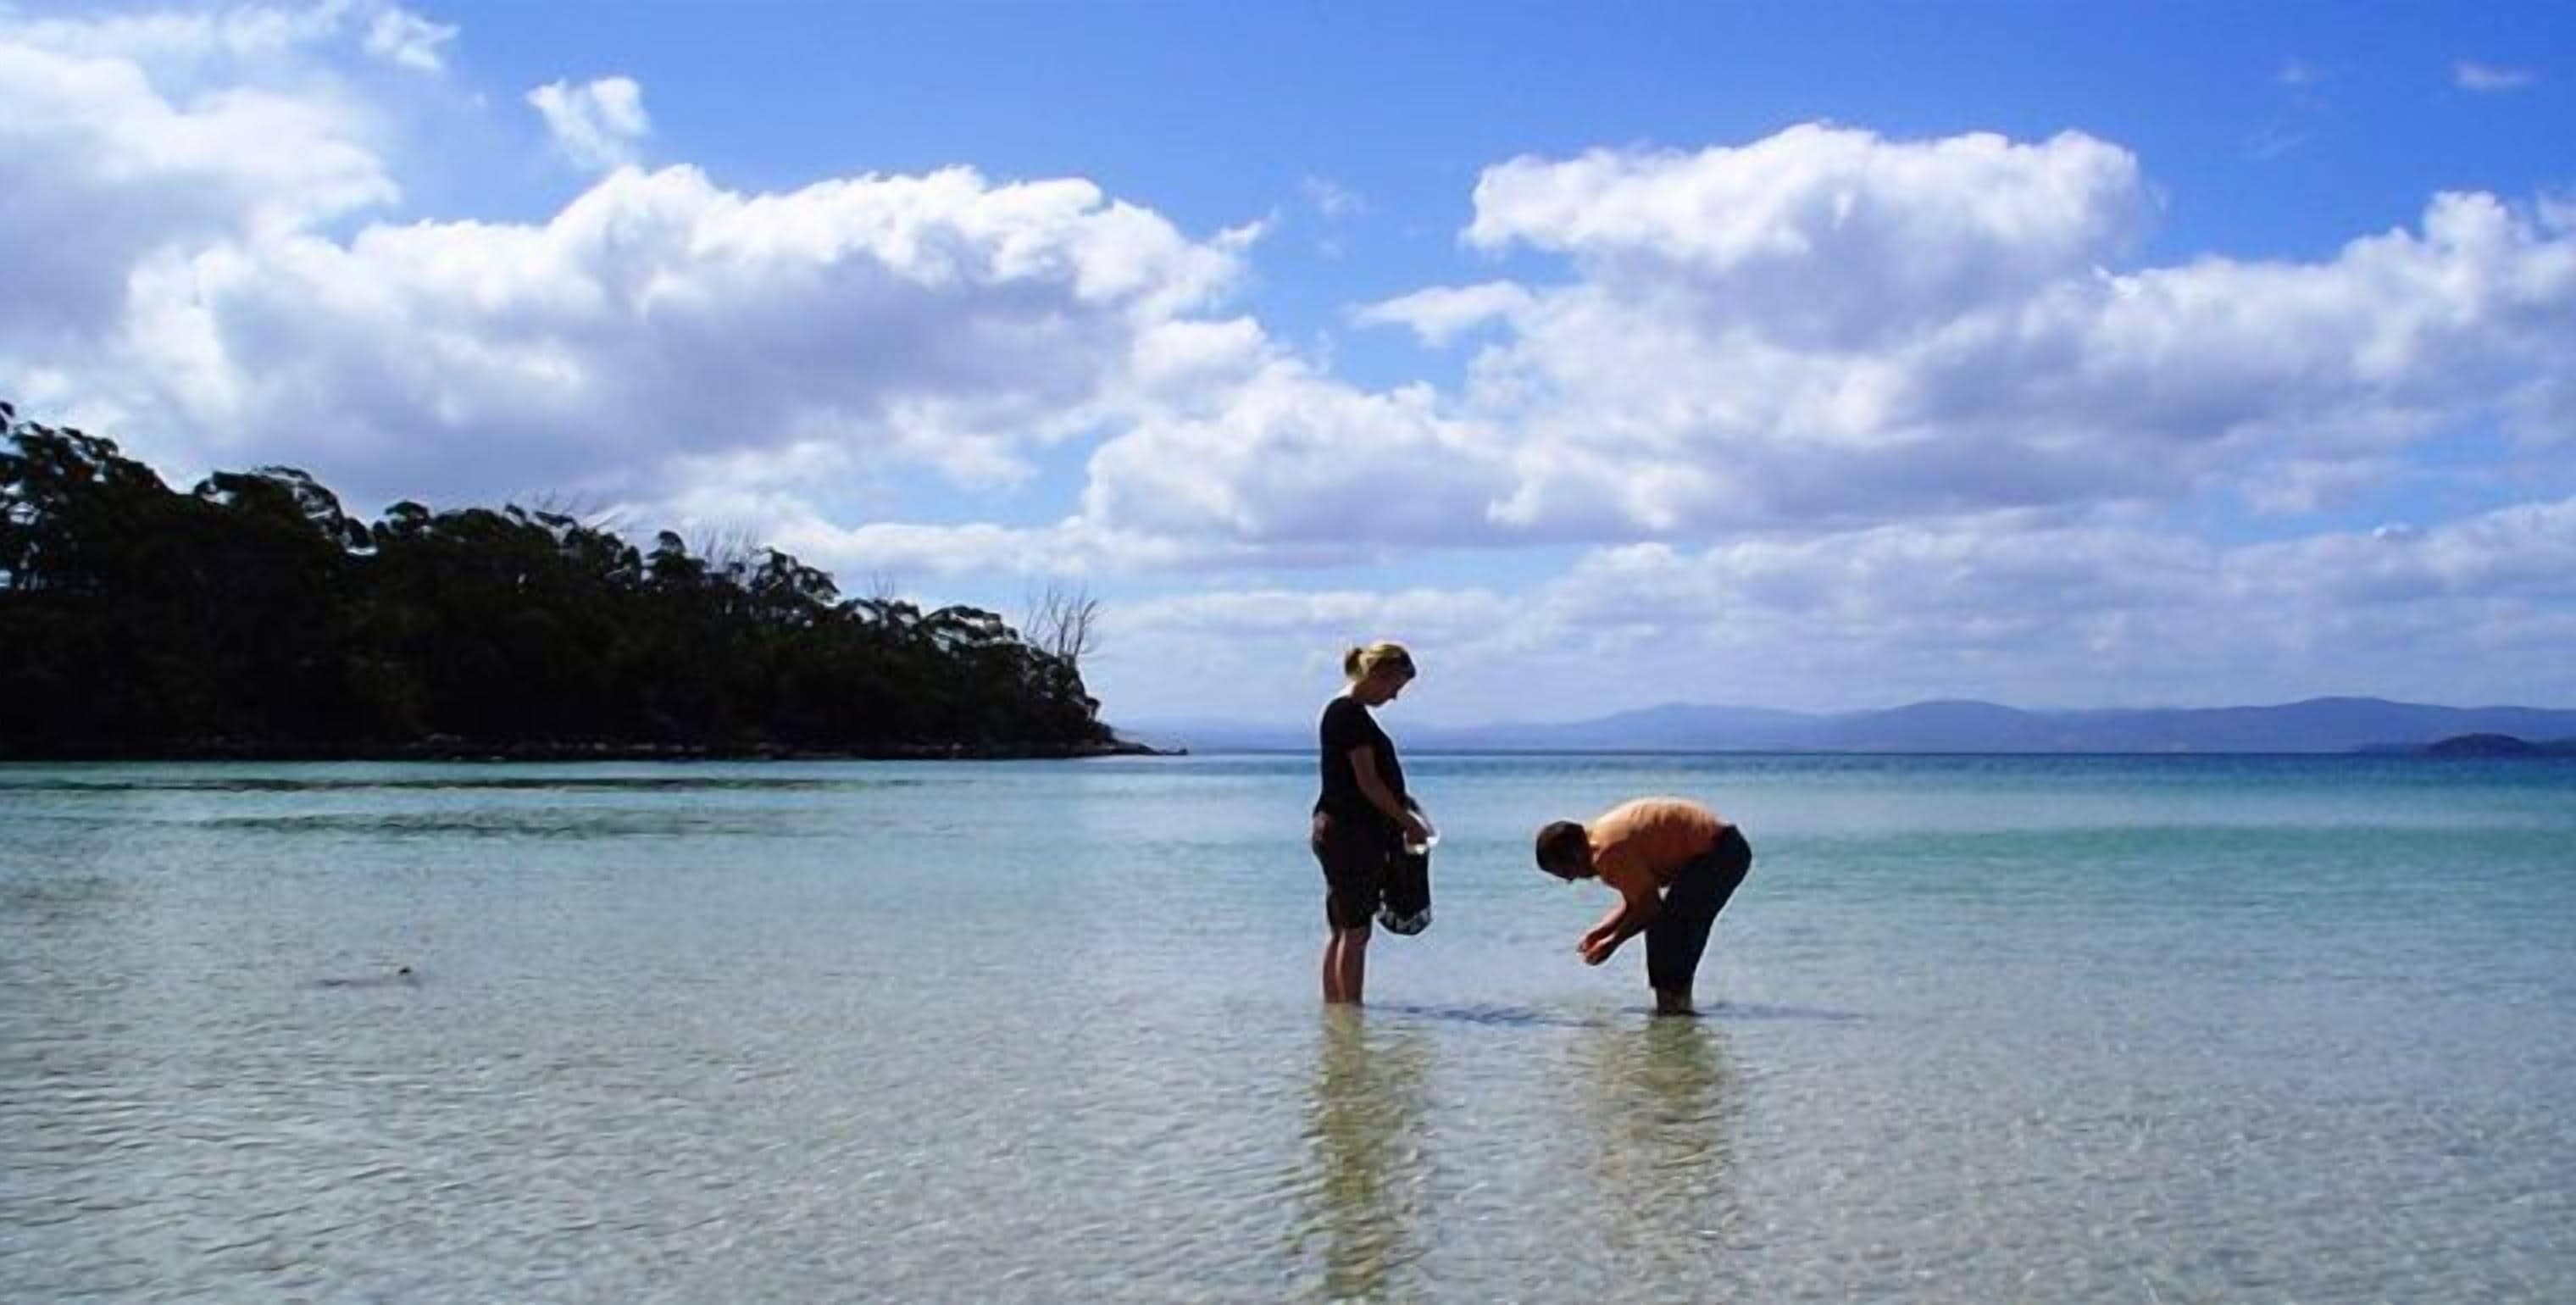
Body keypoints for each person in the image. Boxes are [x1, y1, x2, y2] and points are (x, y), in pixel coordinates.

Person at [1535, 797, 1752, 1015]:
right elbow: (1638, 901)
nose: (1571, 880)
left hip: (1719, 852)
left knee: (1665, 929)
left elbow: (1650, 907)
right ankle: (1678, 1010)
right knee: (1667, 930)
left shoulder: (1607, 853)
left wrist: (1612, 942)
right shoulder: (1598, 838)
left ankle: (1674, 1012)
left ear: (1574, 855)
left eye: (1565, 873)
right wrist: (1603, 931)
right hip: (1722, 847)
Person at [1311, 641, 1432, 1005]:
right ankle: (1351, 1014)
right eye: (1395, 687)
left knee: (1342, 928)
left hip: (1340, 830)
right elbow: (1368, 783)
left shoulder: (1346, 714)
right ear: (1378, 675)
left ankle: (1339, 1021)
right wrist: (1407, 821)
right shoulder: (1348, 716)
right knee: (1356, 932)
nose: (1394, 697)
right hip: (1350, 833)